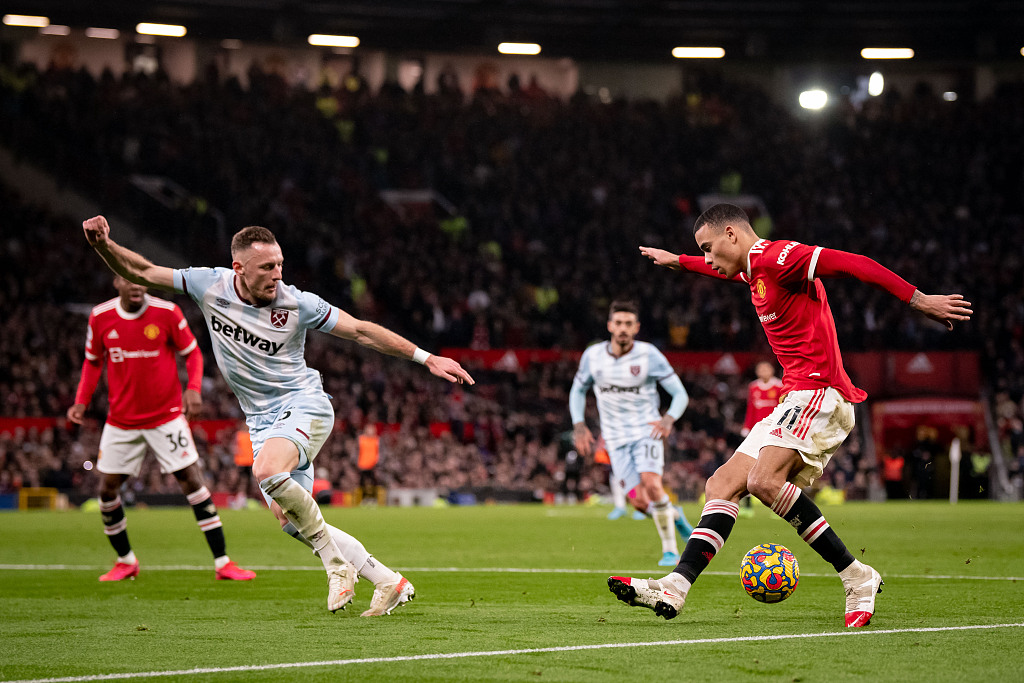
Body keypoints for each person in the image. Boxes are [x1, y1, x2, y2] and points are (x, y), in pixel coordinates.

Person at [82, 215, 474, 616]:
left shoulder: (297, 303)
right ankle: (387, 580)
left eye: (280, 265)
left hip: (305, 404)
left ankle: (336, 566)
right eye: (267, 267)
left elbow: (359, 330)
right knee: (290, 521)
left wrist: (426, 357)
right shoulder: (209, 284)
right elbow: (143, 271)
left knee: (267, 470)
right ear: (239, 268)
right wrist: (103, 246)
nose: (277, 275)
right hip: (261, 420)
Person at [609, 203, 972, 626]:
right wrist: (680, 261)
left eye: (708, 248)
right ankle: (676, 585)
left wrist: (917, 299)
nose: (708, 259)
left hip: (821, 392)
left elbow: (853, 264)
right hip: (794, 397)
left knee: (764, 481)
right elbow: (716, 269)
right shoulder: (751, 269)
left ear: (731, 234)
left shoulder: (779, 258)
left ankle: (858, 578)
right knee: (721, 484)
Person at [67, 275, 256, 583]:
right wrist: (80, 401)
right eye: (130, 280)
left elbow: (193, 353)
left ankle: (223, 563)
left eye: (141, 280)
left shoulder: (166, 312)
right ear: (116, 281)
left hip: (166, 417)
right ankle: (125, 561)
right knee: (106, 490)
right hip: (122, 421)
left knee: (192, 482)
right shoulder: (101, 317)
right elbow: (92, 362)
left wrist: (193, 388)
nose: (138, 286)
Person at [570, 300, 694, 567]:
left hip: (646, 432)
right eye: (618, 323)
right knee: (638, 502)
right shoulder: (593, 357)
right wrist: (579, 425)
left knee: (652, 484)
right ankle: (675, 517)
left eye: (629, 324)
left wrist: (669, 418)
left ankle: (671, 551)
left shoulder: (649, 355)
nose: (623, 328)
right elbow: (578, 390)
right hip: (614, 439)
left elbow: (680, 394)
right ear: (609, 326)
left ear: (636, 328)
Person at [738, 360, 783, 517]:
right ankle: (748, 506)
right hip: (757, 432)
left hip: (775, 432)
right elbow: (751, 408)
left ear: (772, 371)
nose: (763, 371)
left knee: (777, 467)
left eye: (766, 368)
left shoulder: (779, 386)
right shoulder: (753, 387)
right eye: (761, 369)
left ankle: (779, 506)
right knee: (751, 465)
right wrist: (746, 426)